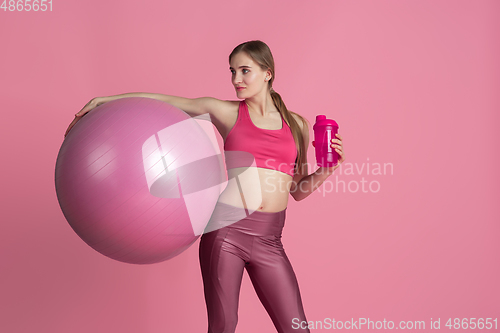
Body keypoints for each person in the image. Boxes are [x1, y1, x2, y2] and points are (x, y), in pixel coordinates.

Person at [65, 40, 345, 333]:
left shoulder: (297, 124)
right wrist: (104, 100)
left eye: (244, 71)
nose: (236, 80)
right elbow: (169, 101)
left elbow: (297, 191)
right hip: (226, 233)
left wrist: (329, 168)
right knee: (224, 325)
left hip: (270, 240)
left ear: (267, 73)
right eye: (232, 71)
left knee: (296, 327)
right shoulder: (227, 113)